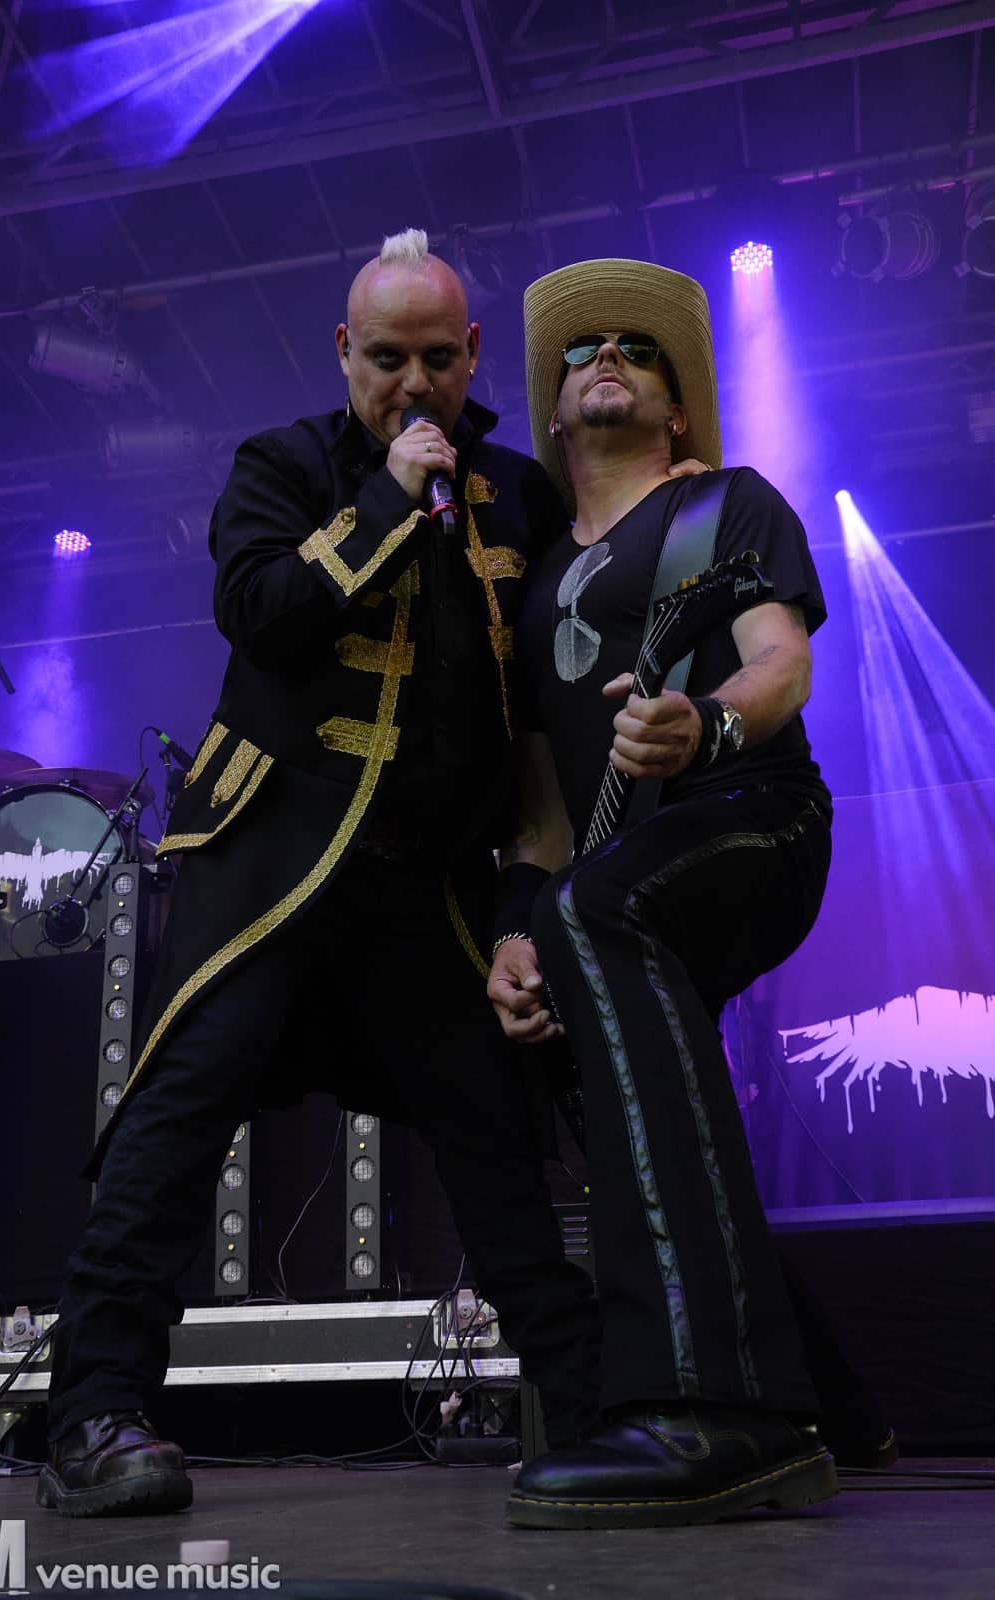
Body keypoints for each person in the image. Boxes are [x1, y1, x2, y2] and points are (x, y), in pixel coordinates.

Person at [36, 229, 613, 1517]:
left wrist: (523, 899)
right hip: (270, 867)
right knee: (177, 1121)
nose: (413, 384)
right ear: (345, 352)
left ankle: (589, 1416)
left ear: (473, 354)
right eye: (386, 359)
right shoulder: (283, 465)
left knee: (494, 1132)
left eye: (436, 359)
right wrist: (387, 503)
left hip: (425, 890)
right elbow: (259, 613)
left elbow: (535, 715)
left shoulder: (516, 494)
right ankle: (93, 1417)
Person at [487, 257, 845, 1529]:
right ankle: (830, 1400)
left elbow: (780, 660)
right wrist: (510, 937)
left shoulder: (721, 505)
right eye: (585, 348)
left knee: (598, 912)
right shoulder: (530, 584)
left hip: (754, 811)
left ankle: (717, 1406)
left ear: (676, 406)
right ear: (552, 410)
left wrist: (709, 724)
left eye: (639, 348)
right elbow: (541, 811)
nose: (609, 355)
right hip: (608, 868)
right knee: (583, 1051)